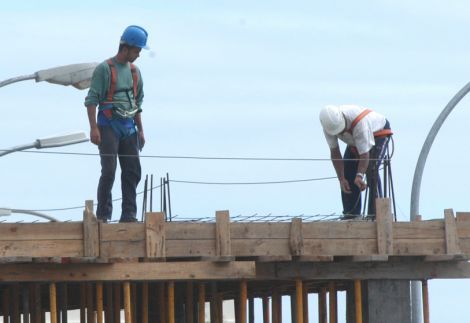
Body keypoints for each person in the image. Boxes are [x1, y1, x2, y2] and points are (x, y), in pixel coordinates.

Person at [85, 25, 149, 223]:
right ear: (126, 47)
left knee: (132, 170)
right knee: (109, 170)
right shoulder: (105, 69)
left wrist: (141, 130)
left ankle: (128, 214)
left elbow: (137, 104)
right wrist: (94, 128)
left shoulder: (135, 72)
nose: (138, 54)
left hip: (129, 126)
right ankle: (104, 215)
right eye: (137, 50)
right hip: (108, 124)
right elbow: (91, 100)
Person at [319, 105, 393, 218]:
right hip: (354, 140)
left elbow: (365, 154)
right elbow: (335, 152)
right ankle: (351, 215)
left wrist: (359, 175)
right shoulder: (328, 127)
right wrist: (341, 178)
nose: (341, 131)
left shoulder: (359, 122)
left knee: (371, 169)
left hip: (378, 133)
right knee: (348, 172)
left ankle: (376, 214)